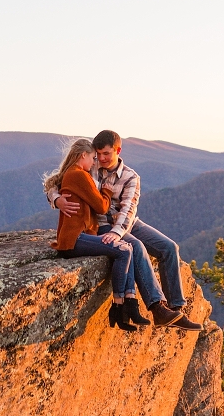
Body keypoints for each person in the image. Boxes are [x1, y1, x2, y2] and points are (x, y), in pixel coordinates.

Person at [48, 130, 203, 332]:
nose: (101, 158)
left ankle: (176, 309)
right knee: (135, 246)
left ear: (118, 151)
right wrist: (56, 199)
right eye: (98, 154)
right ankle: (157, 308)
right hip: (102, 224)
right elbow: (55, 182)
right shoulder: (89, 167)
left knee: (169, 247)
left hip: (126, 223)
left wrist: (118, 232)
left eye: (106, 154)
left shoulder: (130, 177)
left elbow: (128, 210)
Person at [45, 138, 144, 331]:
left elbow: (52, 186)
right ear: (83, 155)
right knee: (124, 250)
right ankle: (119, 306)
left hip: (77, 236)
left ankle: (128, 303)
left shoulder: (72, 173)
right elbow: (102, 205)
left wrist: (56, 198)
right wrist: (107, 189)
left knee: (127, 248)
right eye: (92, 157)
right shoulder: (78, 175)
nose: (94, 162)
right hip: (74, 239)